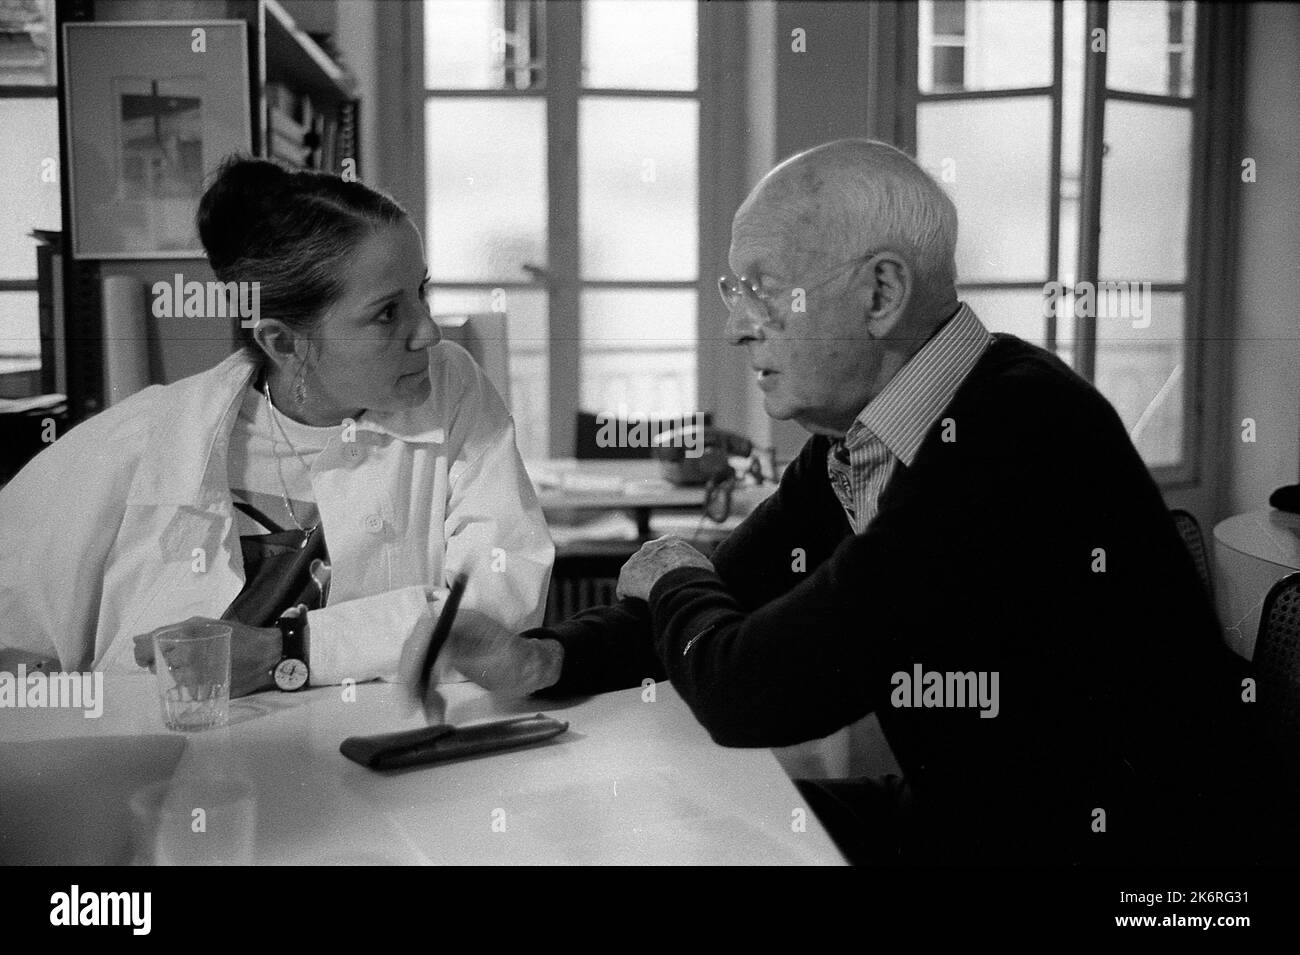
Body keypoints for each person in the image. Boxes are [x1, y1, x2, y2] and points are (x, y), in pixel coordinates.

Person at [426, 138, 1281, 865]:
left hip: (1143, 862)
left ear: (879, 294)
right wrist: (543, 659)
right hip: (979, 814)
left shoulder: (1014, 430)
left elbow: (752, 689)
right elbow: (728, 591)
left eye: (761, 289)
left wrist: (678, 579)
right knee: (644, 836)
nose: (736, 326)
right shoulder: (867, 434)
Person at [0, 157, 555, 698]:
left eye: (421, 293)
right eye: (388, 313)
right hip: (169, 766)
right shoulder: (145, 440)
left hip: (367, 763)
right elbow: (14, 621)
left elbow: (495, 603)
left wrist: (291, 651)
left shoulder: (450, 387)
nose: (428, 332)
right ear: (282, 342)